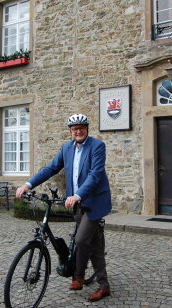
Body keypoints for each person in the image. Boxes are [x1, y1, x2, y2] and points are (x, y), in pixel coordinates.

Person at [16, 113, 112, 302]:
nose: (78, 131)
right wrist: (28, 184)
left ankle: (83, 278)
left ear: (87, 128)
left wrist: (78, 195)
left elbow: (95, 175)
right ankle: (91, 280)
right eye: (75, 129)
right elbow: (51, 168)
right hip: (76, 203)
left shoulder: (97, 146)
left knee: (83, 240)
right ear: (70, 131)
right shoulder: (67, 148)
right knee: (91, 244)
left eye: (82, 128)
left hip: (93, 202)